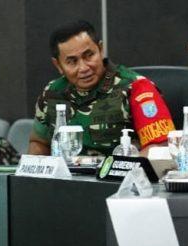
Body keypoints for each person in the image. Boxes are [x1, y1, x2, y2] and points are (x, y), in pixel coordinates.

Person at [29, 20, 174, 156]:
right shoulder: (52, 93)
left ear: (101, 49)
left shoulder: (137, 88)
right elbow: (38, 143)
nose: (84, 67)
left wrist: (119, 170)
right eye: (72, 62)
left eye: (89, 55)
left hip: (120, 180)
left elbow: (161, 147)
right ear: (58, 65)